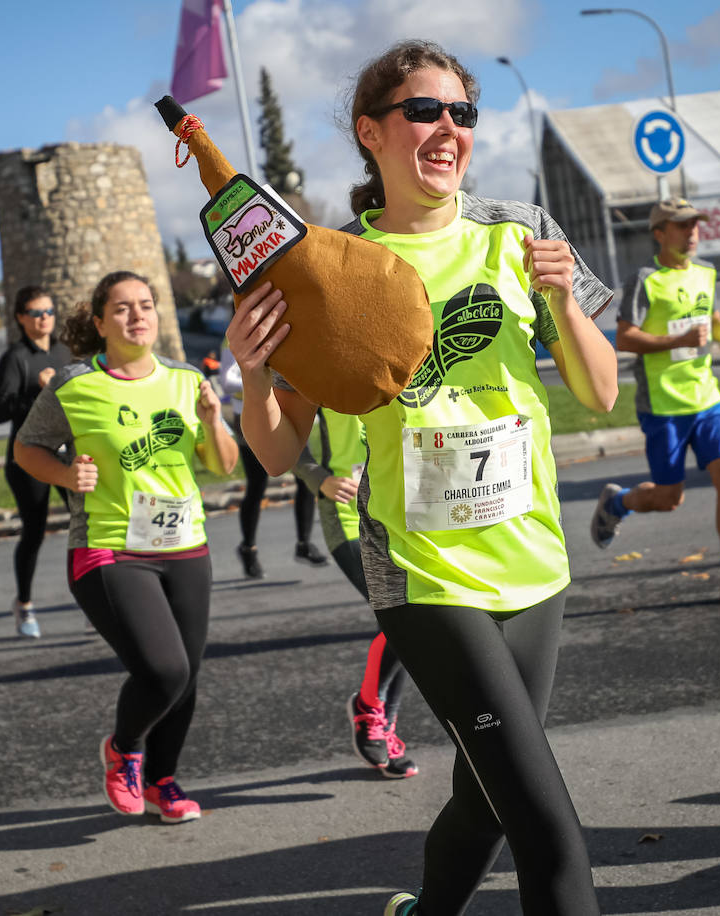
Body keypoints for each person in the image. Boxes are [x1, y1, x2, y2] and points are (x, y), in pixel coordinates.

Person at [227, 40, 618, 915]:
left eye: (463, 113)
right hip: (422, 572)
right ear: (371, 132)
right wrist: (254, 375)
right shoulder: (327, 268)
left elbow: (599, 390)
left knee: (486, 798)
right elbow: (281, 452)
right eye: (425, 111)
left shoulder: (522, 232)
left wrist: (559, 300)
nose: (448, 129)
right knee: (547, 827)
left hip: (534, 563)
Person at [14, 270, 237, 824]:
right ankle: (124, 749)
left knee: (186, 674)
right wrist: (66, 475)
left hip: (185, 543)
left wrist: (213, 421)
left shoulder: (187, 381)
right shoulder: (73, 385)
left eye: (145, 305)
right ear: (99, 322)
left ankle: (163, 781)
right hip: (110, 547)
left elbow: (222, 464)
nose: (137, 315)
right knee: (163, 668)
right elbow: (26, 449)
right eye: (121, 308)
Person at [590, 198, 720, 603]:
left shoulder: (706, 272)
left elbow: (710, 320)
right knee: (668, 498)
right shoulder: (644, 279)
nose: (692, 233)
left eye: (695, 225)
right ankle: (617, 502)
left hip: (706, 396)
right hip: (663, 405)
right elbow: (624, 337)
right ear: (659, 233)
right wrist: (677, 340)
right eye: (681, 226)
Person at [293, 409, 416, 778]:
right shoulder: (321, 353)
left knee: (420, 618)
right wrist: (318, 478)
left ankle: (381, 721)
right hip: (348, 512)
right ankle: (370, 710)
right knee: (407, 616)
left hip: (407, 505)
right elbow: (281, 426)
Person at [0, 285, 72, 638]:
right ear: (21, 318)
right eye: (37, 313)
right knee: (35, 530)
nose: (44, 319)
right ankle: (24, 604)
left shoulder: (64, 351)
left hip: (66, 451)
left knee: (88, 522)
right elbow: (0, 410)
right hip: (28, 456)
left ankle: (98, 598)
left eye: (49, 311)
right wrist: (34, 391)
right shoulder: (16, 358)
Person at [219, 342, 326, 579]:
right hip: (252, 420)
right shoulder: (233, 337)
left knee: (306, 479)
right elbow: (226, 381)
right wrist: (258, 380)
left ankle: (304, 543)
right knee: (257, 487)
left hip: (289, 413)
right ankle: (248, 548)